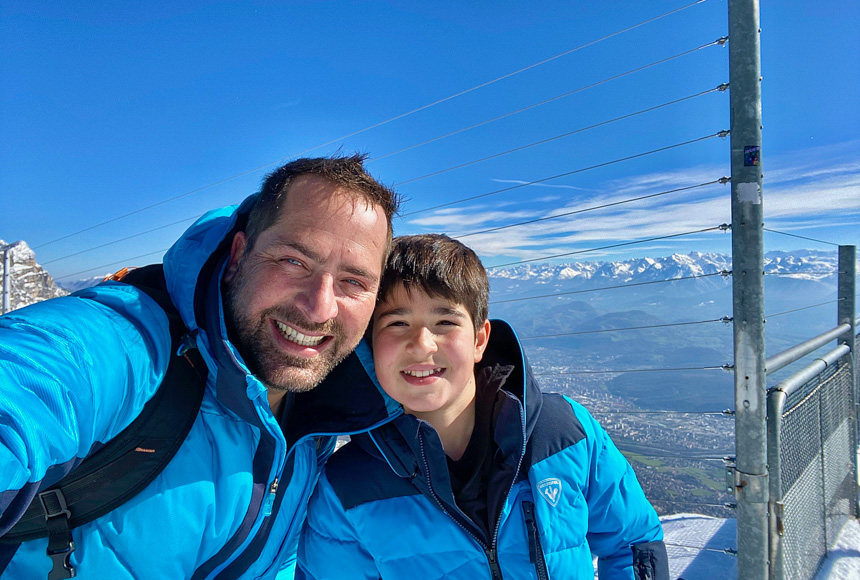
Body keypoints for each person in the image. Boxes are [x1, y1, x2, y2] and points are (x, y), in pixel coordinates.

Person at [0, 155, 402, 579]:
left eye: (353, 282)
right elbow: (32, 382)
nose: (319, 308)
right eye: (294, 261)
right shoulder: (125, 347)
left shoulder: (328, 416)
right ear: (237, 257)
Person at [297, 234, 670, 579]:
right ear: (370, 345)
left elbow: (634, 544)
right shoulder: (347, 487)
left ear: (479, 339)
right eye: (397, 323)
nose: (422, 344)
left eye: (445, 321)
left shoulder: (564, 434)